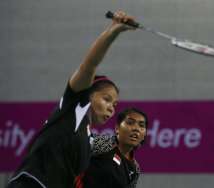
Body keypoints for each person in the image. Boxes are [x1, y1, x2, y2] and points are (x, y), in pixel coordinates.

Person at [7, 10, 136, 188]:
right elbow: (89, 64)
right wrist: (113, 31)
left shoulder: (88, 140)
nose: (111, 109)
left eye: (114, 105)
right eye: (106, 99)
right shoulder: (74, 106)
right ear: (88, 93)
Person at [75, 107, 148, 188]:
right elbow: (74, 147)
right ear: (117, 128)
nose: (136, 129)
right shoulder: (104, 144)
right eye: (130, 123)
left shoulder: (135, 168)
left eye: (141, 125)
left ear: (144, 135)